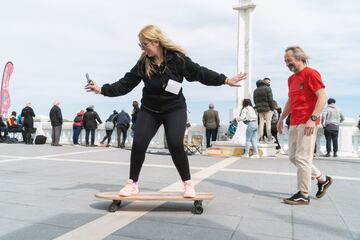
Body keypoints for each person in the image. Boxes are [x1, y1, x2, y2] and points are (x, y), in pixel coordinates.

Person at [85, 25, 247, 197]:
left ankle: (188, 184)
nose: (142, 48)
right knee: (139, 143)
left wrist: (224, 79)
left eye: (144, 44)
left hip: (174, 109)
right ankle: (132, 184)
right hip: (149, 110)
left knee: (175, 144)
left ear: (156, 42)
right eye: (140, 45)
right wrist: (102, 89)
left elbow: (199, 72)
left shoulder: (177, 59)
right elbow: (126, 83)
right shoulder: (143, 62)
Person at [277, 46, 333, 205]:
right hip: (294, 121)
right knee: (293, 157)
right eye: (285, 61)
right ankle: (323, 179)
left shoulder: (311, 74)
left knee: (302, 158)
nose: (287, 64)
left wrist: (313, 118)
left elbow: (322, 96)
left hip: (308, 122)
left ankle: (303, 194)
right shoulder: (291, 79)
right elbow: (290, 101)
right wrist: (281, 118)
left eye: (289, 60)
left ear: (300, 58)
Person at [253, 78, 277, 143]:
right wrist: (272, 108)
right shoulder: (268, 88)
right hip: (268, 109)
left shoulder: (255, 90)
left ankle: (261, 139)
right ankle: (270, 139)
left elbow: (255, 101)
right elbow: (270, 100)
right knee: (268, 123)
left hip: (260, 110)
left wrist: (258, 108)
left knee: (261, 124)